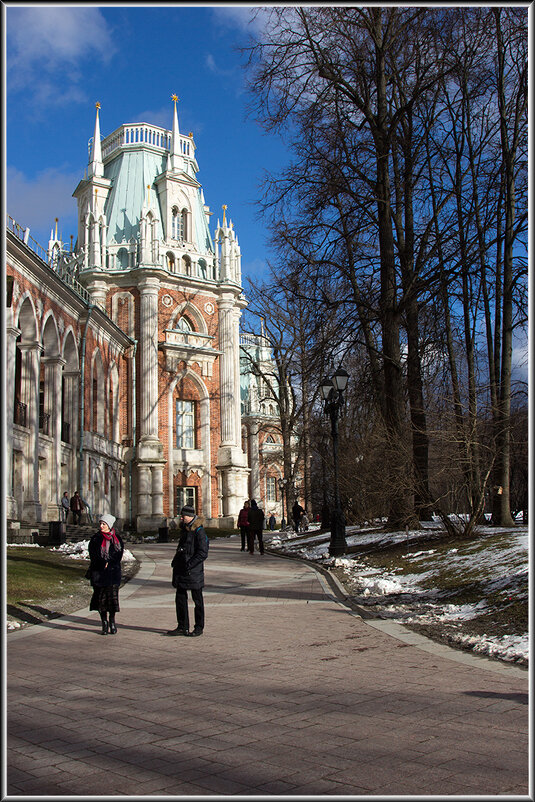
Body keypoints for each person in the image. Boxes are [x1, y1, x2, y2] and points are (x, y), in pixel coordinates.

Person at [167, 505, 209, 637]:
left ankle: (198, 627)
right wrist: (176, 561)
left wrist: (190, 564)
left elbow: (202, 553)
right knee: (180, 598)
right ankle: (182, 626)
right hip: (181, 570)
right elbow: (182, 548)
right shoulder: (185, 530)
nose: (181, 517)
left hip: (193, 571)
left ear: (190, 516)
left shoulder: (199, 531)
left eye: (183, 515)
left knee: (197, 600)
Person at [87, 514, 124, 635]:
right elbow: (93, 554)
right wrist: (103, 562)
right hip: (100, 573)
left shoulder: (117, 539)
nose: (101, 526)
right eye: (101, 523)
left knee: (112, 601)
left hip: (113, 573)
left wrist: (111, 562)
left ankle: (112, 621)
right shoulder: (96, 538)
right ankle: (104, 623)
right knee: (101, 601)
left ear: (109, 525)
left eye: (104, 524)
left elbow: (119, 554)